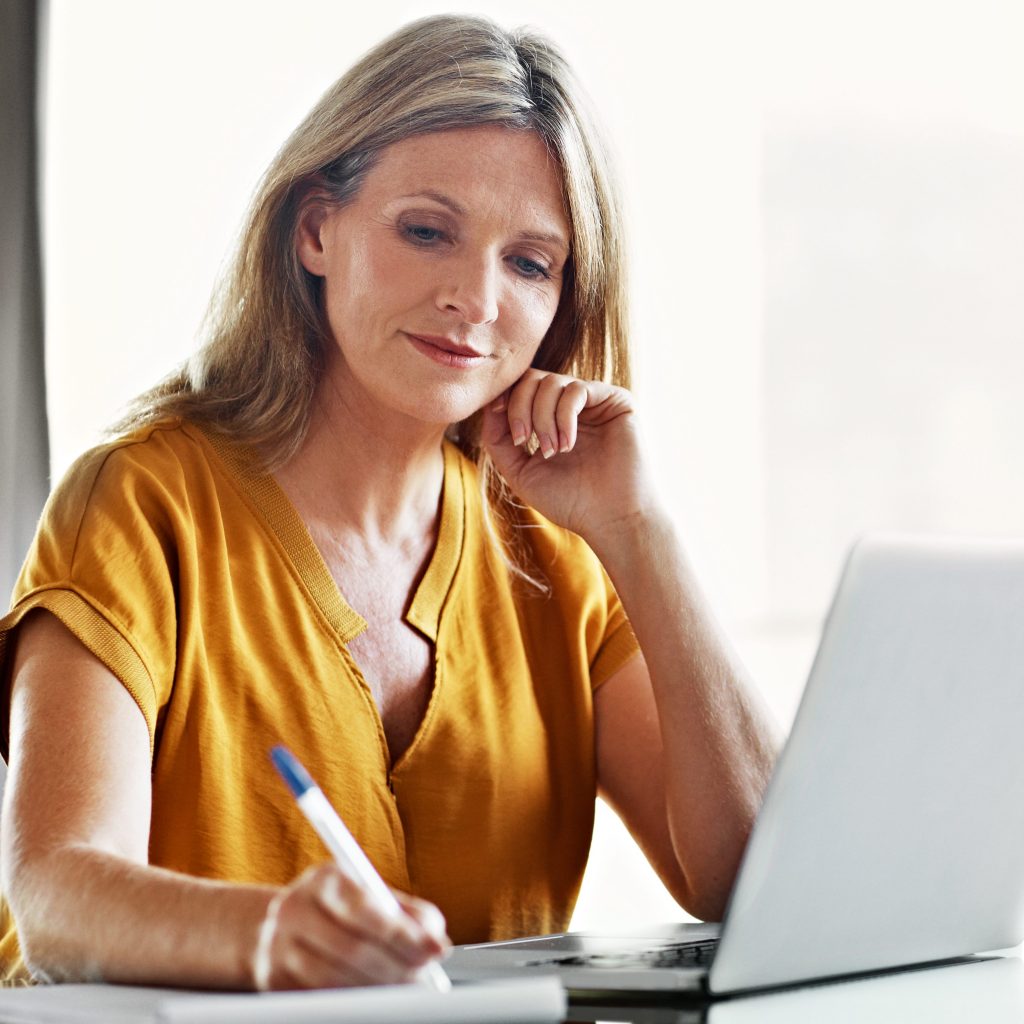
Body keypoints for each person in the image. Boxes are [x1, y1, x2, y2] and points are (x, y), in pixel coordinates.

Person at [0, 13, 779, 990]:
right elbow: (54, 893)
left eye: (529, 263)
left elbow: (756, 879)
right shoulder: (141, 502)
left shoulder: (555, 539)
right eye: (426, 231)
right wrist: (270, 936)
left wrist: (641, 533)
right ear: (317, 229)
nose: (476, 298)